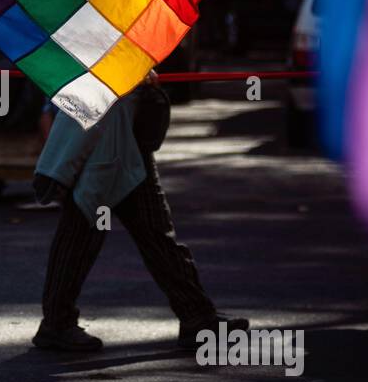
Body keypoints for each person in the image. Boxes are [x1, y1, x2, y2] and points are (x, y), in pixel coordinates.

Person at [32, 72, 249, 352]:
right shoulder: (99, 54)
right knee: (79, 237)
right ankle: (56, 323)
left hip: (131, 153)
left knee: (156, 235)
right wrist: (56, 170)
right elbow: (77, 111)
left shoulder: (130, 53)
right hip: (101, 158)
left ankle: (198, 318)